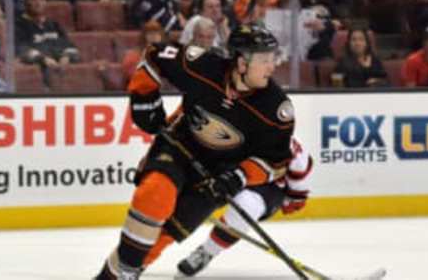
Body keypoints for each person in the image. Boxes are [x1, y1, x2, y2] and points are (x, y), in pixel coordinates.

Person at [94, 24, 295, 280]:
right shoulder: (203, 66)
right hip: (179, 147)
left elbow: (274, 162)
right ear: (241, 63)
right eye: (264, 60)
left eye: (272, 58)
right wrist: (144, 98)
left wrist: (239, 177)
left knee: (165, 235)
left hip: (217, 176)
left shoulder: (275, 108)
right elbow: (155, 54)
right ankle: (125, 272)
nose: (272, 66)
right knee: (155, 194)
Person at [177, 137, 312, 276]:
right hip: (229, 173)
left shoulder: (285, 143)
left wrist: (294, 199)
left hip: (268, 188)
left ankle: (207, 252)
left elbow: (299, 177)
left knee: (247, 205)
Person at [15, 0, 80, 68]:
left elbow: (69, 45)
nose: (38, 3)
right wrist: (42, 59)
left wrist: (66, 56)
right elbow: (21, 49)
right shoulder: (19, 25)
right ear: (26, 2)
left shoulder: (54, 24)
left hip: (59, 67)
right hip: (40, 68)